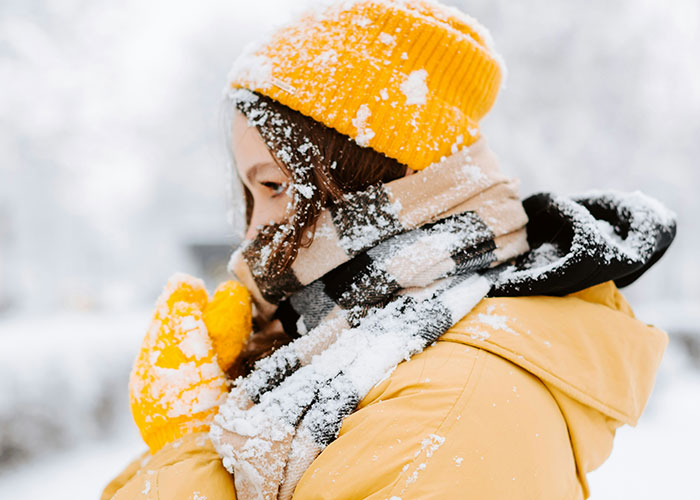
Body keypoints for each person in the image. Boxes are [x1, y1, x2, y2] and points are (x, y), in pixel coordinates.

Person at [102, 1, 677, 499]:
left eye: (276, 187)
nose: (254, 236)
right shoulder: (342, 351)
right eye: (251, 196)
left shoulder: (450, 411)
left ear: (387, 185)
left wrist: (187, 446)